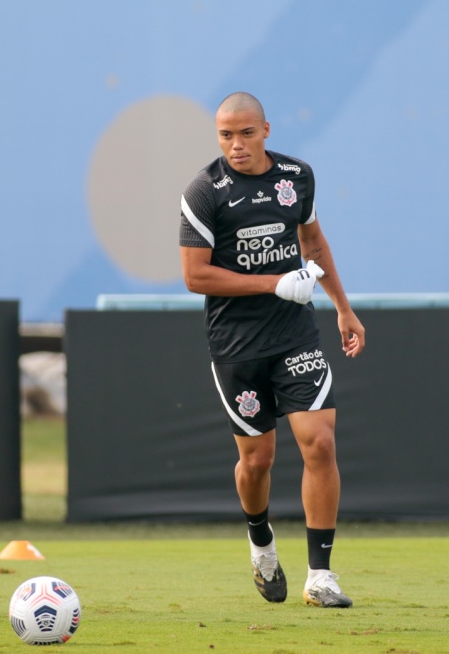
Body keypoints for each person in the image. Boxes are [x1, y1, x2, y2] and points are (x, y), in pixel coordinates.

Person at [179, 91, 365, 608]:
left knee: (320, 443)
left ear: (265, 130)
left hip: (294, 334)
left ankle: (321, 575)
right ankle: (261, 542)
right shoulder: (203, 192)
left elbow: (313, 242)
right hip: (236, 343)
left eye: (244, 133)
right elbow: (195, 276)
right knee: (257, 460)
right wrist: (272, 283)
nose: (235, 145)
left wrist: (343, 308)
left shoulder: (296, 177)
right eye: (225, 135)